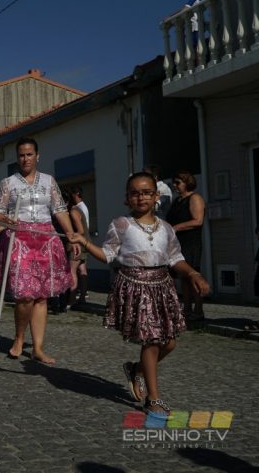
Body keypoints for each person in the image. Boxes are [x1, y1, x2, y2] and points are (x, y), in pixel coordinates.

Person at [68, 172, 209, 417]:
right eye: (135, 193)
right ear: (127, 198)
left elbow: (175, 258)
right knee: (151, 341)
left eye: (146, 192)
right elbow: (108, 255)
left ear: (156, 196)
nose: (141, 197)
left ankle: (139, 370)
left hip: (162, 288)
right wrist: (85, 241)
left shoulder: (166, 228)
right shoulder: (121, 225)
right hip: (135, 287)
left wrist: (193, 274)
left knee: (169, 342)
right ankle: (153, 399)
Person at [0, 137, 78, 364]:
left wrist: (71, 235)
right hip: (19, 239)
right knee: (24, 294)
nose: (25, 159)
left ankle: (38, 348)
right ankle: (19, 338)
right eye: (21, 155)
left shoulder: (49, 181)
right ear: (17, 157)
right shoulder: (7, 183)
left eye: (29, 154)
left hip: (45, 239)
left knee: (41, 296)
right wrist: (6, 219)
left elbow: (59, 209)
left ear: (37, 156)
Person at [166, 170, 206, 321]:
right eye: (174, 183)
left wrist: (176, 227)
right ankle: (187, 308)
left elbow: (198, 220)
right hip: (178, 243)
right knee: (183, 276)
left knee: (193, 275)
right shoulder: (177, 200)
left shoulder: (195, 198)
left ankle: (199, 310)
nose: (175, 185)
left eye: (178, 183)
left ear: (187, 183)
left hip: (190, 242)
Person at [68, 186, 90, 308]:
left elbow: (80, 230)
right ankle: (82, 297)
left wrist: (71, 237)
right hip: (85, 242)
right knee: (82, 270)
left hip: (79, 243)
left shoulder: (76, 209)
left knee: (72, 271)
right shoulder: (82, 207)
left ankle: (72, 300)